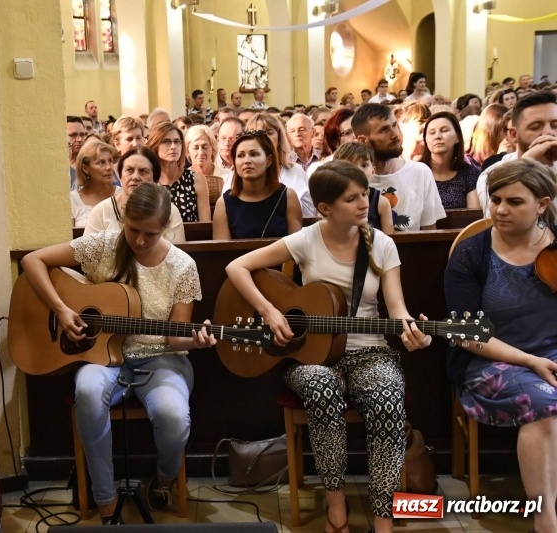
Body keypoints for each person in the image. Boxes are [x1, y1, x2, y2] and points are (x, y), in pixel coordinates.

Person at [226, 159, 431, 533]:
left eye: (364, 195)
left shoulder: (381, 244)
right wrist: (270, 312)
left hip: (371, 351)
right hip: (311, 356)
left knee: (388, 396)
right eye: (351, 198)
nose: (363, 203)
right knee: (322, 388)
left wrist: (412, 331)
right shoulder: (306, 239)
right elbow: (236, 267)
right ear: (325, 208)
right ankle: (337, 507)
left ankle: (383, 516)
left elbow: (397, 308)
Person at [23, 182, 216, 524]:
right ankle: (105, 498)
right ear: (123, 219)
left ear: (166, 227)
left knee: (174, 417)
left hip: (162, 358)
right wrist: (63, 310)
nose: (140, 241)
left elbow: (175, 339)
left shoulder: (182, 266)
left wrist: (196, 340)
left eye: (151, 234)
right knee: (87, 390)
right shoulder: (103, 247)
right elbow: (32, 260)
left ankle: (164, 479)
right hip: (102, 356)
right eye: (134, 230)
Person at [444, 158, 557, 533]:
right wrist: (531, 360)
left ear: (542, 204)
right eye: (496, 200)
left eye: (515, 202)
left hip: (551, 356)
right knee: (544, 402)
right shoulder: (471, 253)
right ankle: (546, 520)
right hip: (493, 362)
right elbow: (465, 334)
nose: (501, 210)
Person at [352, 103, 446, 230]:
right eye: (384, 130)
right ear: (363, 140)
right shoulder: (350, 179)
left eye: (394, 125)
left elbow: (429, 233)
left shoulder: (420, 172)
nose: (395, 134)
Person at [476, 91, 557, 216]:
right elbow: (499, 221)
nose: (548, 132)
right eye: (535, 127)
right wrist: (526, 163)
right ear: (514, 135)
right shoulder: (492, 174)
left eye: (555, 125)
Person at [212, 130, 302, 239]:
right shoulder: (224, 203)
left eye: (254, 154)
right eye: (240, 155)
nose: (247, 161)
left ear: (269, 160)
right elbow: (222, 251)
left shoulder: (287, 196)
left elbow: (297, 246)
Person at [85, 146, 185, 243]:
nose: (135, 177)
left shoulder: (169, 211)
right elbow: (88, 256)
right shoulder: (101, 212)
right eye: (129, 170)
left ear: (155, 179)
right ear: (120, 176)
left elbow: (176, 254)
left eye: (143, 171)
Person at [245, 113, 315, 217]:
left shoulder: (296, 172)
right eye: (257, 133)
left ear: (279, 138)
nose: (264, 138)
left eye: (269, 132)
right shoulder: (237, 173)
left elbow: (310, 214)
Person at [146, 122, 211, 222]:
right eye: (166, 141)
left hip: (191, 237)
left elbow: (205, 225)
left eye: (177, 141)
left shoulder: (196, 180)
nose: (173, 146)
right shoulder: (148, 181)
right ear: (155, 145)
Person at [421, 111, 480, 209]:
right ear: (425, 140)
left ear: (457, 137)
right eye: (432, 133)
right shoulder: (415, 172)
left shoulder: (469, 173)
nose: (437, 136)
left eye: (444, 130)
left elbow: (473, 216)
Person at [332, 142, 394, 234]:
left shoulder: (381, 203)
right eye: (350, 166)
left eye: (364, 165)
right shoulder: (334, 201)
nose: (358, 171)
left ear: (373, 171)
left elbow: (389, 240)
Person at [70, 139, 119, 228]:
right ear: (85, 168)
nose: (108, 167)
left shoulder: (122, 194)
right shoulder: (73, 200)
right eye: (101, 162)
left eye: (110, 161)